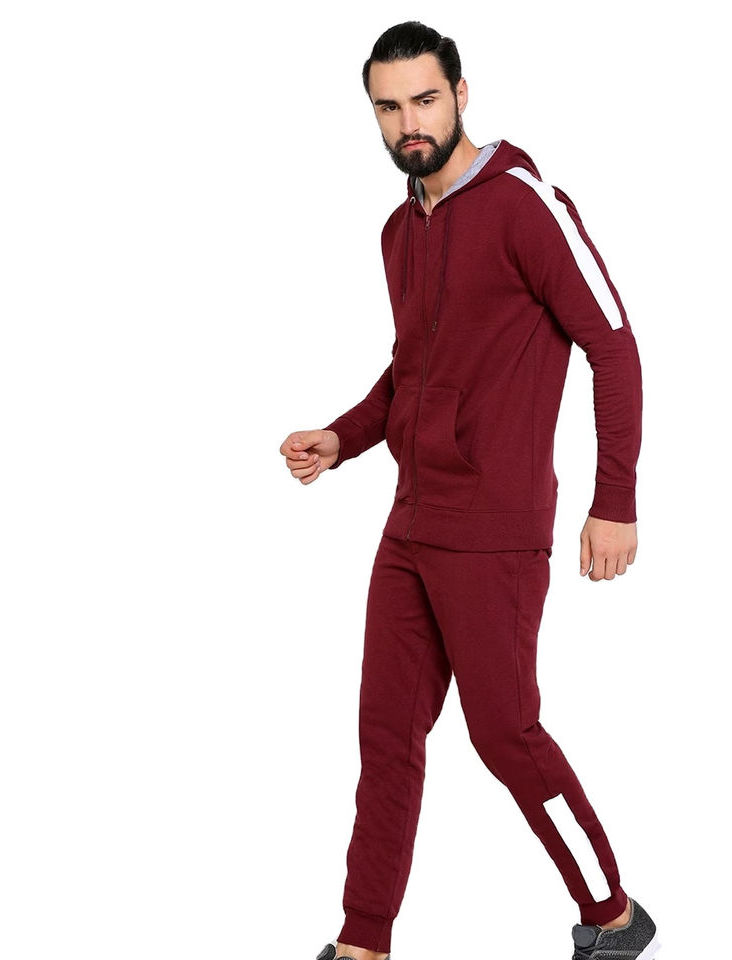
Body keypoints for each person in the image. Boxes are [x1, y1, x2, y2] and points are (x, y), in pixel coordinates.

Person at [279, 21, 659, 960]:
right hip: (410, 526)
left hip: (494, 531)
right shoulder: (399, 231)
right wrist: (344, 437)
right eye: (388, 107)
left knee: (504, 734)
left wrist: (614, 499)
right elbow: (412, 370)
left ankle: (613, 914)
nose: (408, 122)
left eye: (424, 99)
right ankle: (362, 943)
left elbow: (613, 344)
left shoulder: (527, 205)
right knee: (386, 738)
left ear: (459, 93)